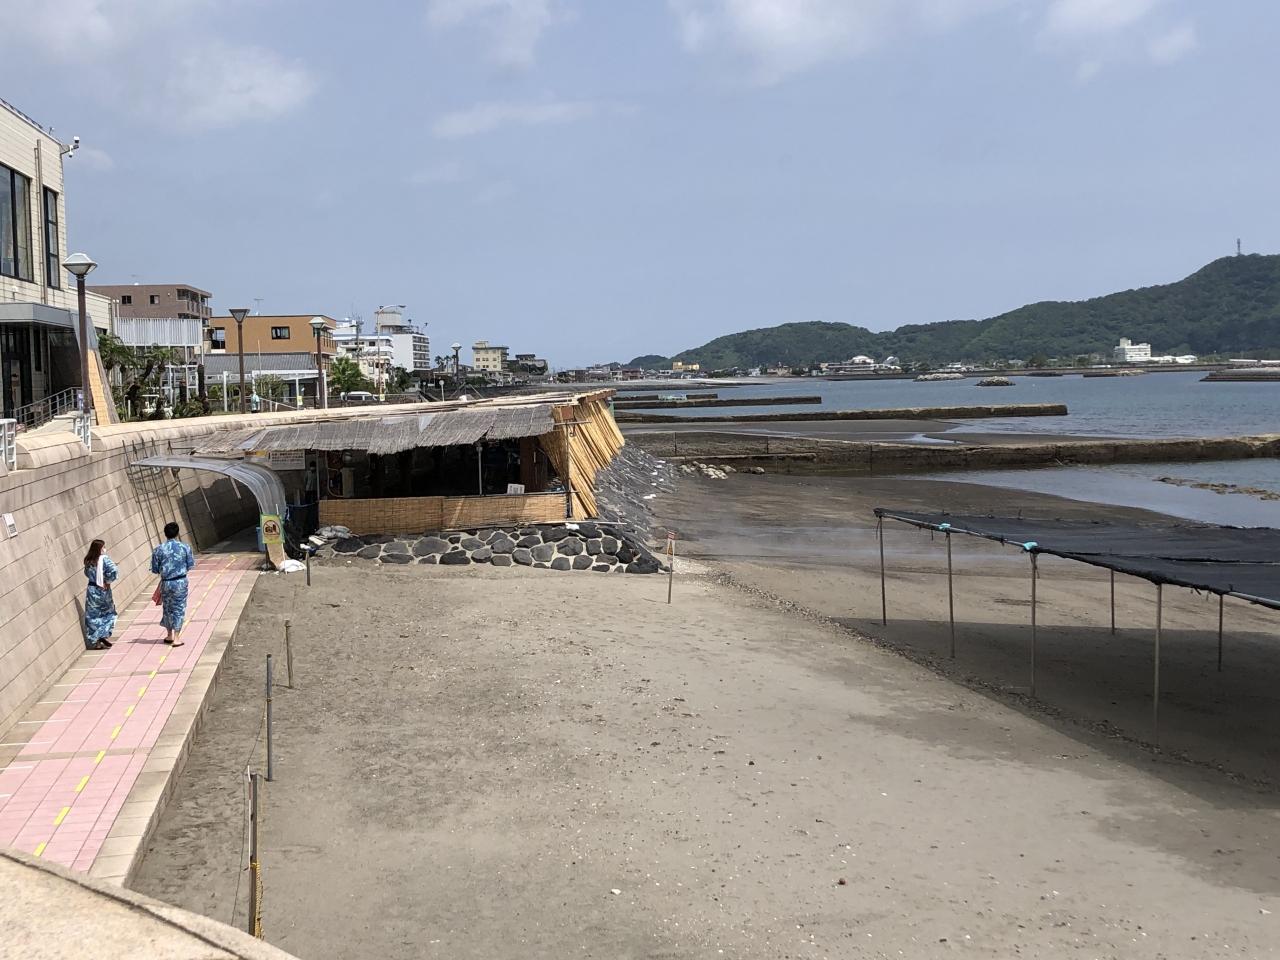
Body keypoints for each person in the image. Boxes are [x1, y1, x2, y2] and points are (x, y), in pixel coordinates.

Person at [150, 521, 196, 647]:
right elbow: (190, 565)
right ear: (177, 533)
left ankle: (169, 634)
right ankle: (176, 638)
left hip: (166, 583)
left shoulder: (158, 549)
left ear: (165, 534)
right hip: (180, 582)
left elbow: (155, 569)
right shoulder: (185, 547)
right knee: (179, 608)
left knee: (167, 608)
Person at [82, 539, 117, 650]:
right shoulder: (104, 559)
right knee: (108, 612)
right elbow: (114, 570)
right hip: (103, 590)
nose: (104, 549)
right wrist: (107, 581)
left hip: (92, 589)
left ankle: (96, 640)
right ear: (100, 549)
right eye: (103, 547)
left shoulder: (88, 561)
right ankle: (103, 634)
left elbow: (86, 573)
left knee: (92, 615)